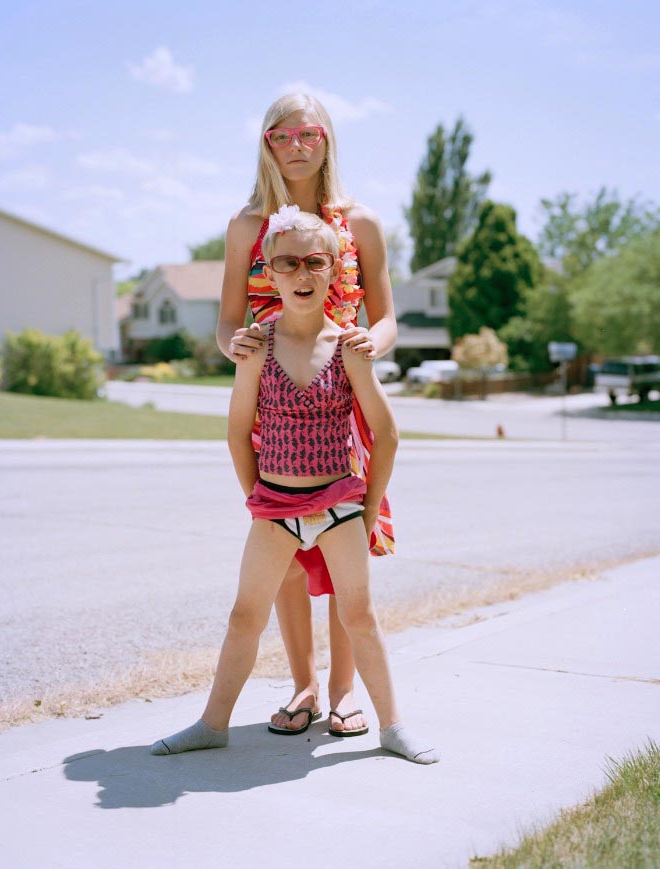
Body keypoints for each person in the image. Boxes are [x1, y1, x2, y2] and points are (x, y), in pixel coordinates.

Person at [151, 209, 439, 764]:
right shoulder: (255, 348)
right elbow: (237, 433)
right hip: (275, 507)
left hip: (339, 503)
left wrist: (368, 506)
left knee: (360, 616)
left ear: (334, 269)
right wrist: (256, 500)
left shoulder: (351, 348)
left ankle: (393, 727)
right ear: (271, 271)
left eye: (315, 261)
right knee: (244, 616)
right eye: (288, 262)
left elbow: (387, 433)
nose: (302, 272)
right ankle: (213, 723)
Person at [216, 93, 397, 737]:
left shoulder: (360, 221)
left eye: (309, 132)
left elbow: (385, 313)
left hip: (342, 395)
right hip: (275, 399)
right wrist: (232, 347)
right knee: (286, 550)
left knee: (350, 547)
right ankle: (304, 686)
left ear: (328, 140)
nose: (296, 144)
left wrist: (375, 343)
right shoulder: (246, 226)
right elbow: (228, 320)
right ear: (266, 143)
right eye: (281, 134)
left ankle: (347, 692)